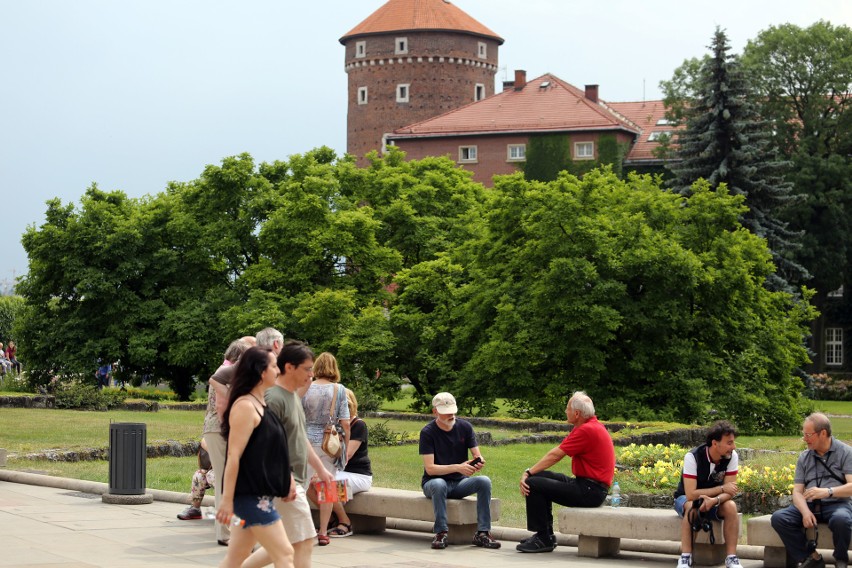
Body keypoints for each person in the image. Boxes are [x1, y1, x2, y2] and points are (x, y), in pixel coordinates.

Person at [243, 335, 336, 568]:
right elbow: (264, 445)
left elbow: (300, 438)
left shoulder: (292, 396)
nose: (311, 375)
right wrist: (286, 478)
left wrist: (321, 470)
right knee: (304, 541)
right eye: (307, 369)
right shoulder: (274, 398)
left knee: (285, 544)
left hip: (291, 480)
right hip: (281, 481)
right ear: (289, 367)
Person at [216, 346, 296, 568]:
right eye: (273, 366)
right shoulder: (245, 406)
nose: (277, 370)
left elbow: (272, 452)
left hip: (258, 495)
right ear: (261, 372)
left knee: (236, 557)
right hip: (249, 498)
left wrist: (287, 479)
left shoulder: (261, 404)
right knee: (285, 554)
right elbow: (233, 456)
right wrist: (226, 500)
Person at [516, 391, 614, 553]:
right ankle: (547, 534)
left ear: (576, 413)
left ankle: (543, 537)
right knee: (539, 476)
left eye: (567, 408)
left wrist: (528, 472)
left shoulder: (586, 430)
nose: (565, 411)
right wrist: (533, 472)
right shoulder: (590, 426)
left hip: (590, 491)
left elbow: (556, 455)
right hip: (588, 486)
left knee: (533, 482)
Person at [419, 391, 500, 550]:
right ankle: (441, 533)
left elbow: (477, 454)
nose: (451, 415)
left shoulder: (465, 427)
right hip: (433, 484)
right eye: (445, 412)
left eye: (453, 411)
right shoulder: (427, 432)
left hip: (459, 482)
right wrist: (458, 467)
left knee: (484, 481)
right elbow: (430, 469)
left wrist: (478, 461)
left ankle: (483, 533)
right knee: (439, 484)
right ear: (435, 412)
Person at [771, 413, 852, 568]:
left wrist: (827, 491)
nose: (805, 439)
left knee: (841, 519)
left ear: (823, 433)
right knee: (779, 518)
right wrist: (804, 511)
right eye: (804, 435)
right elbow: (797, 492)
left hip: (837, 504)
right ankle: (812, 558)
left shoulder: (846, 452)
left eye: (808, 435)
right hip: (809, 505)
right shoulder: (804, 457)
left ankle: (841, 560)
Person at [203, 336, 254, 545]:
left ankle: (227, 531)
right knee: (225, 481)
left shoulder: (225, 371)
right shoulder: (225, 374)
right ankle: (225, 533)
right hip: (219, 430)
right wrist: (230, 430)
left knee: (227, 480)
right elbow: (222, 406)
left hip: (216, 430)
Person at [673, 420, 741, 568]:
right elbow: (691, 494)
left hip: (715, 500)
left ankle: (731, 558)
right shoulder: (693, 457)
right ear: (715, 443)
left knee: (731, 506)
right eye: (729, 443)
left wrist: (714, 500)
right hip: (684, 498)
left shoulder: (732, 456)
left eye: (733, 442)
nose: (733, 447)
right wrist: (720, 490)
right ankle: (685, 557)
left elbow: (731, 491)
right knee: (693, 507)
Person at [302, 352, 351, 545]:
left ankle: (304, 529)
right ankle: (323, 531)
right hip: (328, 443)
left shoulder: (305, 387)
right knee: (327, 486)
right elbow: (345, 422)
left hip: (305, 440)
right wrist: (345, 445)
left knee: (303, 484)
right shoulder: (339, 390)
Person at [327, 388, 373, 538]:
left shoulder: (359, 425)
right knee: (309, 484)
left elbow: (348, 455)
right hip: (339, 472)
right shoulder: (334, 423)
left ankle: (344, 521)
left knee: (328, 484)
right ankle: (333, 519)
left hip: (358, 474)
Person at [177, 438, 215, 520]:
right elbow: (204, 440)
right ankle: (195, 509)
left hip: (232, 472)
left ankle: (228, 510)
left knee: (214, 477)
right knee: (199, 476)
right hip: (214, 469)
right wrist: (213, 451)